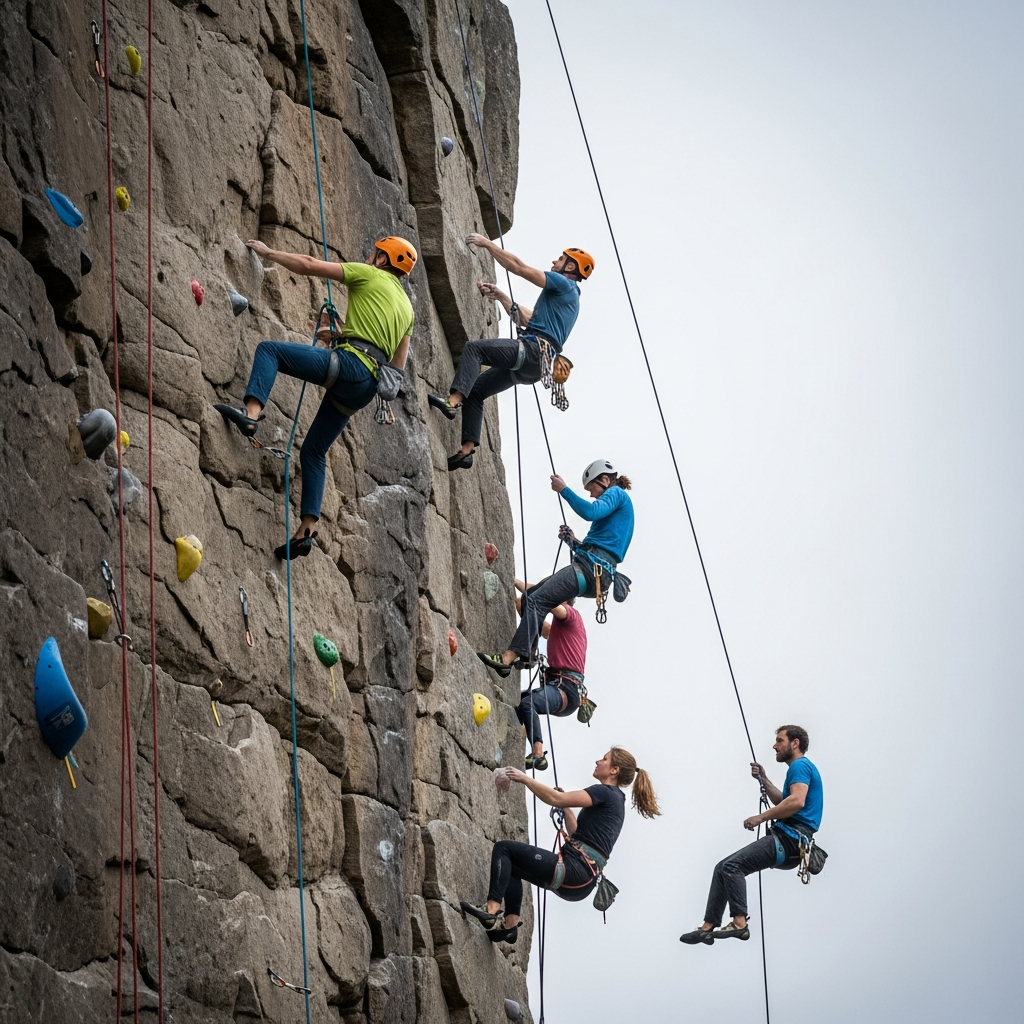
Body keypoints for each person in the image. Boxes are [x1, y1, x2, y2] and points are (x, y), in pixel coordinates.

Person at [214, 237, 417, 560]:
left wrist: (270, 252)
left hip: (349, 365)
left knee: (270, 351)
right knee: (314, 451)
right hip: (366, 388)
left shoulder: (368, 274)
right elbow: (397, 364)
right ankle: (306, 529)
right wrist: (344, 335)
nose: (368, 257)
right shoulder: (408, 310)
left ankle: (251, 415)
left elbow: (309, 265)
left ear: (381, 260)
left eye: (373, 253)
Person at [427, 234, 594, 471]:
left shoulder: (563, 283)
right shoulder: (569, 299)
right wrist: (501, 296)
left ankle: (452, 402)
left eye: (560, 259)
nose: (554, 261)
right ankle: (466, 451)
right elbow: (527, 317)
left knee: (474, 349)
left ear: (570, 266)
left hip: (534, 350)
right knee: (476, 391)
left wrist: (487, 244)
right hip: (535, 368)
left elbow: (519, 267)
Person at [460, 748, 659, 943]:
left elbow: (555, 798)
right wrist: (566, 808)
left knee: (504, 849)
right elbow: (577, 833)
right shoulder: (617, 802)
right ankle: (510, 926)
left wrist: (525, 779)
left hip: (575, 870)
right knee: (512, 867)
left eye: (604, 759)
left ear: (614, 770)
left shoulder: (606, 792)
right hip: (580, 883)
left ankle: (491, 911)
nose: (598, 761)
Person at [478, 460, 632, 677]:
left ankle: (508, 657)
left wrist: (564, 490)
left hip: (590, 570)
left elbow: (590, 512)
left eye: (593, 489)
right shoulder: (617, 507)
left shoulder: (616, 494)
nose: (592, 495)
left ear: (605, 480)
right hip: (592, 569)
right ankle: (528, 652)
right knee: (531, 596)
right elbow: (601, 546)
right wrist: (573, 542)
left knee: (538, 601)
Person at [679, 725, 824, 945]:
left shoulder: (800, 765)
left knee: (732, 867)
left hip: (790, 839)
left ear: (795, 743)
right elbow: (783, 800)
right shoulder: (800, 769)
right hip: (791, 842)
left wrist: (761, 817)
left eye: (780, 740)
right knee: (722, 868)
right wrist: (764, 779)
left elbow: (796, 801)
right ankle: (708, 927)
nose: (775, 746)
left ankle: (739, 923)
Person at [512, 579, 587, 770]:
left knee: (528, 704)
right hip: (561, 688)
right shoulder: (558, 629)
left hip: (566, 688)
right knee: (519, 701)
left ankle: (538, 754)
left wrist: (547, 591)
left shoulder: (571, 615)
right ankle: (519, 739)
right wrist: (511, 582)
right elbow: (529, 606)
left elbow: (545, 596)